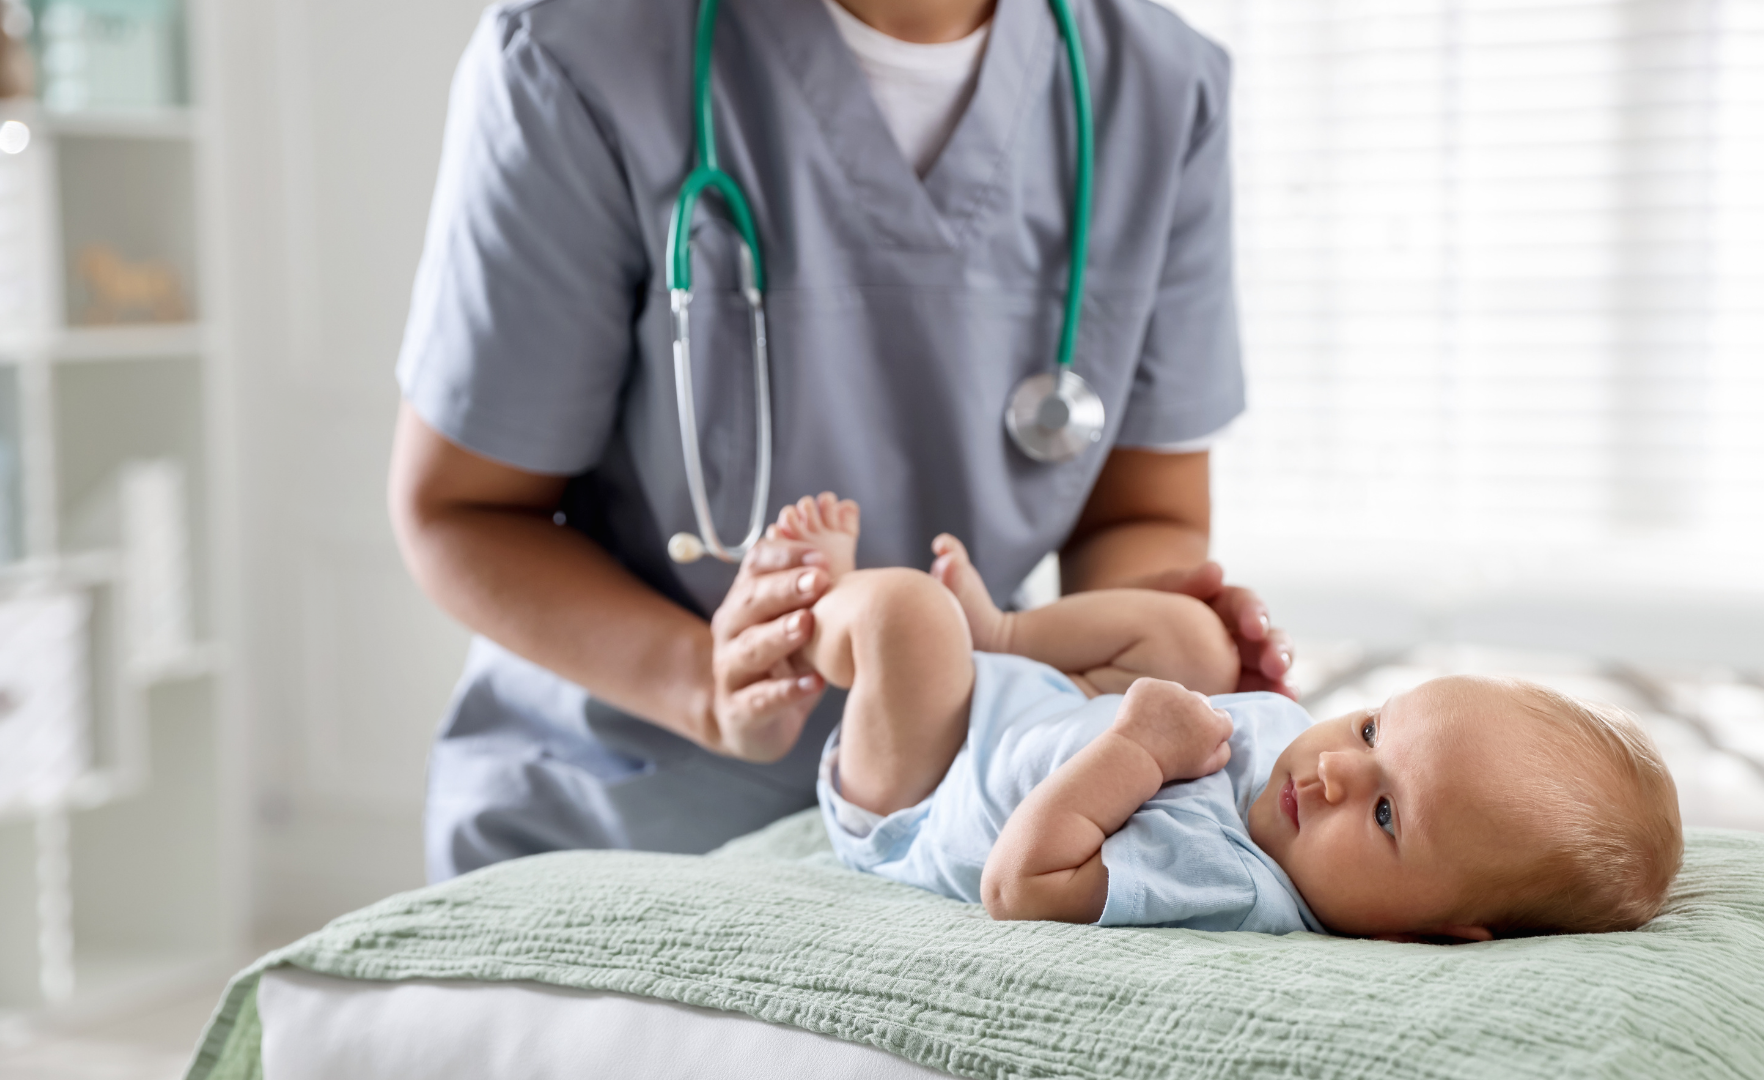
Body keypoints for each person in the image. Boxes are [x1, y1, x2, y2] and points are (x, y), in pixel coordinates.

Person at [387, 0, 1293, 882]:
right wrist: (709, 684)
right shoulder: (578, 52)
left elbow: (1140, 511)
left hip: (970, 820)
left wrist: (1143, 655)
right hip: (621, 820)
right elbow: (459, 511)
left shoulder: (1159, 84)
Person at [778, 494, 1685, 938]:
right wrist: (1223, 688)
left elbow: (1018, 887)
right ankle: (1006, 630)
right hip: (1032, 708)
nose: (1335, 769)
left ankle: (819, 619)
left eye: (1384, 816)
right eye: (1372, 730)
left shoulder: (1230, 882)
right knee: (1195, 641)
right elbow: (1237, 714)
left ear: (1443, 931)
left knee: (907, 616)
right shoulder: (1303, 779)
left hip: (928, 793)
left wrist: (1136, 747)